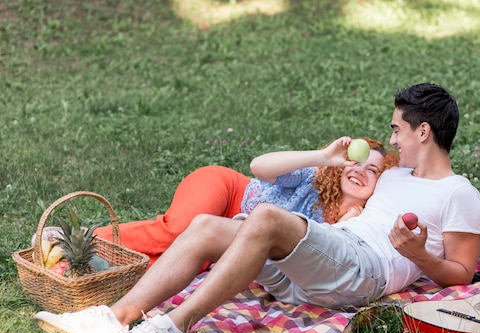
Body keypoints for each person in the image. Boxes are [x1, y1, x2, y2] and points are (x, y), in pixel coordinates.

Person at [35, 83, 480, 333]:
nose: (390, 140)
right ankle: (113, 318)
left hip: (365, 272)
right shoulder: (394, 173)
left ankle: (166, 330)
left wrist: (419, 255)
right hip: (328, 261)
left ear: (422, 132)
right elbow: (322, 185)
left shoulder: (458, 193)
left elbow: (463, 274)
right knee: (210, 224)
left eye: (396, 131)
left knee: (267, 217)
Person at [57, 137, 396, 267]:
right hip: (228, 189)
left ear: (382, 183)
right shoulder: (312, 178)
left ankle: (100, 261)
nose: (360, 171)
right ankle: (78, 238)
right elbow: (258, 166)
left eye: (373, 170)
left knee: (193, 261)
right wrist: (323, 157)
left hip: (234, 235)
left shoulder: (361, 221)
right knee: (177, 231)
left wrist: (350, 219)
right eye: (357, 162)